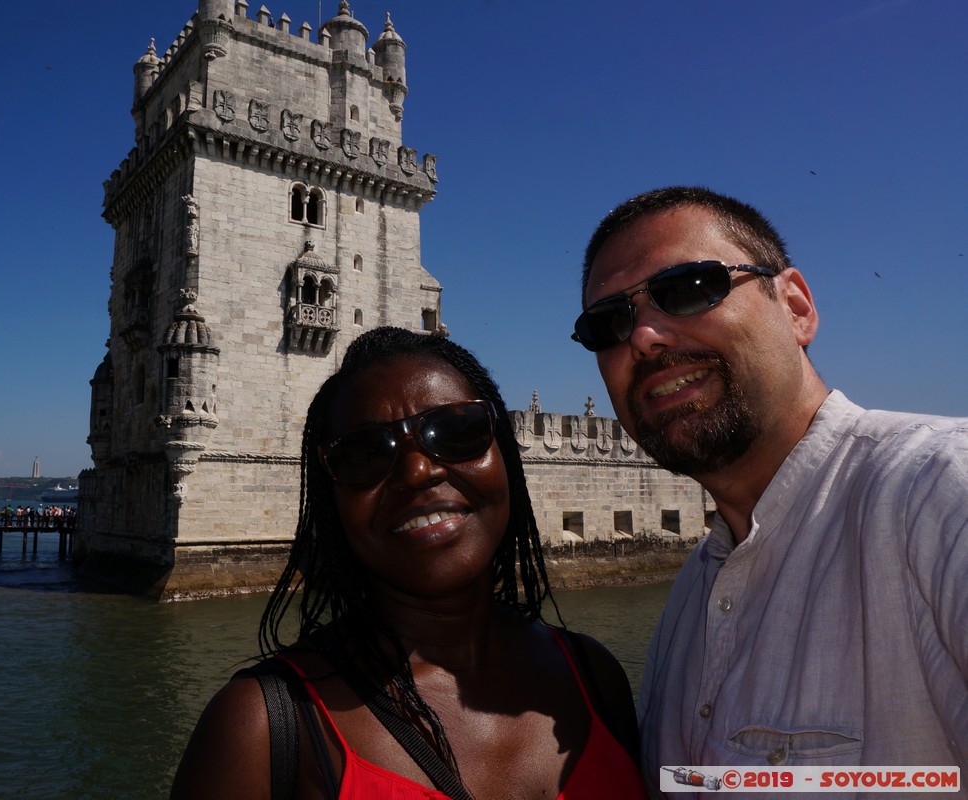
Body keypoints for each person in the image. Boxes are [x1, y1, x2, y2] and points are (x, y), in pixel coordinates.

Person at [572, 186, 968, 789]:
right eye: (608, 323)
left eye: (688, 288)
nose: (644, 336)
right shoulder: (690, 598)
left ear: (796, 307)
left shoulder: (941, 493)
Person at [171, 326, 647, 799]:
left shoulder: (597, 677)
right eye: (364, 454)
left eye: (458, 431)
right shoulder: (258, 731)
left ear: (506, 451)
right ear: (330, 496)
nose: (419, 471)